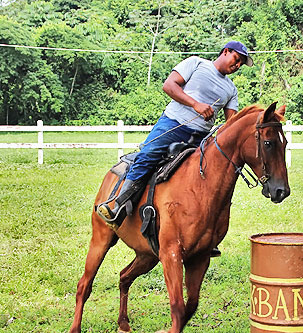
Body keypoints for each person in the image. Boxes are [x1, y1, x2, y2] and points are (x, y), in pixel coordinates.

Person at [97, 41, 253, 232]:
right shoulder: (196, 64)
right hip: (173, 124)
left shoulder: (231, 90)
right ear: (226, 51)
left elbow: (231, 123)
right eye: (237, 60)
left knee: (208, 176)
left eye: (241, 64)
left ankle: (203, 232)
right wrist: (196, 104)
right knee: (148, 155)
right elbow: (169, 86)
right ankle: (118, 205)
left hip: (201, 137)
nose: (237, 66)